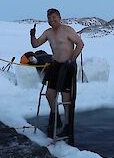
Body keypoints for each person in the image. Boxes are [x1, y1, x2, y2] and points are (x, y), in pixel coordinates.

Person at [30, 9, 84, 140]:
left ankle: (67, 126)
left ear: (59, 18)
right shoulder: (48, 33)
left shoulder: (67, 30)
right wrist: (32, 35)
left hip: (67, 66)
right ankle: (55, 116)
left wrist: (72, 59)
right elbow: (35, 44)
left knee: (66, 97)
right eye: (49, 18)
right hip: (55, 65)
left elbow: (80, 44)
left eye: (54, 17)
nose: (51, 20)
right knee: (50, 94)